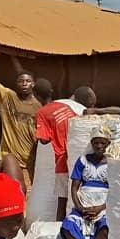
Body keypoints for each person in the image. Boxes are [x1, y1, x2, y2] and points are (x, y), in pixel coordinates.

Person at [60, 126, 111, 239]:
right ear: (92, 144)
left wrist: (100, 208)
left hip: (103, 205)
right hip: (84, 204)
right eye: (96, 143)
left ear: (108, 144)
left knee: (105, 227)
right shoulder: (83, 161)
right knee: (68, 227)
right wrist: (80, 208)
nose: (99, 146)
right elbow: (74, 187)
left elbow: (115, 191)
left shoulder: (112, 163)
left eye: (102, 143)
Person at [0, 50, 42, 173]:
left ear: (33, 84)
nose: (24, 84)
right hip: (10, 158)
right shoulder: (8, 97)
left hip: (31, 159)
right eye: (21, 81)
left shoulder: (39, 107)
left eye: (28, 81)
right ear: (16, 84)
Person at [36, 89, 84, 220]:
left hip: (62, 159)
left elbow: (44, 140)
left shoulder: (42, 112)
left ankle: (60, 228)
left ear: (36, 96)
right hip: (78, 158)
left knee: (62, 200)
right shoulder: (67, 106)